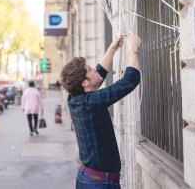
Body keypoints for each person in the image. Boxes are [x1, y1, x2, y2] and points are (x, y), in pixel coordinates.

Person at [60, 33, 142, 189]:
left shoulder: (74, 99)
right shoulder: (90, 102)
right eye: (89, 69)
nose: (94, 69)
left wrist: (113, 47)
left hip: (88, 178)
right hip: (100, 183)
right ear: (84, 82)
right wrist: (134, 50)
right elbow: (130, 80)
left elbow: (98, 75)